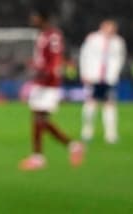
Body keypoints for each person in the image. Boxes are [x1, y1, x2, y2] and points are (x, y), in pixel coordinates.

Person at [19, 9, 84, 171]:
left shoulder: (53, 35)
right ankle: (70, 147)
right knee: (39, 119)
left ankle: (40, 157)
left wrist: (48, 71)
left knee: (40, 119)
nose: (31, 20)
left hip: (49, 84)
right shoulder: (41, 36)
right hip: (41, 81)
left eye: (34, 17)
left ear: (42, 18)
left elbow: (56, 59)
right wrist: (35, 65)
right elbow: (45, 60)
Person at [79, 19, 126, 143]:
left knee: (110, 103)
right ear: (102, 27)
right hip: (93, 76)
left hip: (109, 78)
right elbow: (84, 55)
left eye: (112, 28)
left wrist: (115, 74)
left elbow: (120, 59)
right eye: (108, 27)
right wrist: (84, 73)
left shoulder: (118, 42)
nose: (110, 31)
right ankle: (87, 130)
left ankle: (111, 134)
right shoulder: (93, 39)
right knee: (91, 102)